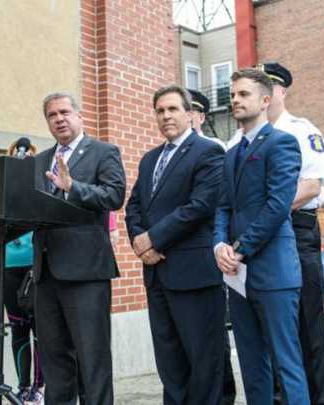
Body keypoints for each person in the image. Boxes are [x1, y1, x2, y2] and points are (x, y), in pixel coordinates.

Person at [125, 85, 226, 405]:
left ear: (189, 113)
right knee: (170, 360)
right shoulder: (149, 158)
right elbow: (134, 208)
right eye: (160, 110)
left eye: (172, 109)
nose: (166, 116)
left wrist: (153, 238)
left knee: (203, 359)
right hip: (156, 272)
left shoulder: (208, 151)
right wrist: (141, 245)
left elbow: (200, 206)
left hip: (193, 272)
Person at [213, 68, 309, 404]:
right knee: (252, 365)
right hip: (238, 275)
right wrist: (219, 245)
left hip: (274, 272)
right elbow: (223, 207)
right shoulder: (230, 153)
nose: (235, 100)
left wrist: (238, 248)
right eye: (233, 94)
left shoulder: (282, 143)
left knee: (287, 363)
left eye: (243, 94)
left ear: (265, 100)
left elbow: (278, 206)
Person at [32, 92, 126, 405]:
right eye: (51, 115)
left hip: (86, 272)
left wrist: (73, 187)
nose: (58, 119)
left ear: (79, 115)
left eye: (64, 112)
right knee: (54, 359)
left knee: (93, 358)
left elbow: (114, 196)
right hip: (46, 273)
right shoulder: (40, 160)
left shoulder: (103, 152)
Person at [258, 62, 324, 405]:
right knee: (269, 334)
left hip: (297, 230)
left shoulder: (302, 130)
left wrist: (267, 210)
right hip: (260, 239)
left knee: (308, 331)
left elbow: (313, 187)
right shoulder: (245, 137)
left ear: (280, 91)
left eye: (268, 87)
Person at [187, 87, 238, 405]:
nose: (186, 116)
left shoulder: (215, 148)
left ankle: (223, 396)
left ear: (201, 116)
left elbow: (214, 205)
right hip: (180, 257)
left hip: (208, 251)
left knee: (213, 332)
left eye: (191, 110)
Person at [3, 141, 44, 404]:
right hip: (9, 266)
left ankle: (38, 388)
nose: (23, 159)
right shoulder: (4, 188)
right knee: (18, 329)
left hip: (35, 265)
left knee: (39, 329)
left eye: (29, 157)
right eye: (19, 157)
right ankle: (23, 386)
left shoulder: (40, 186)